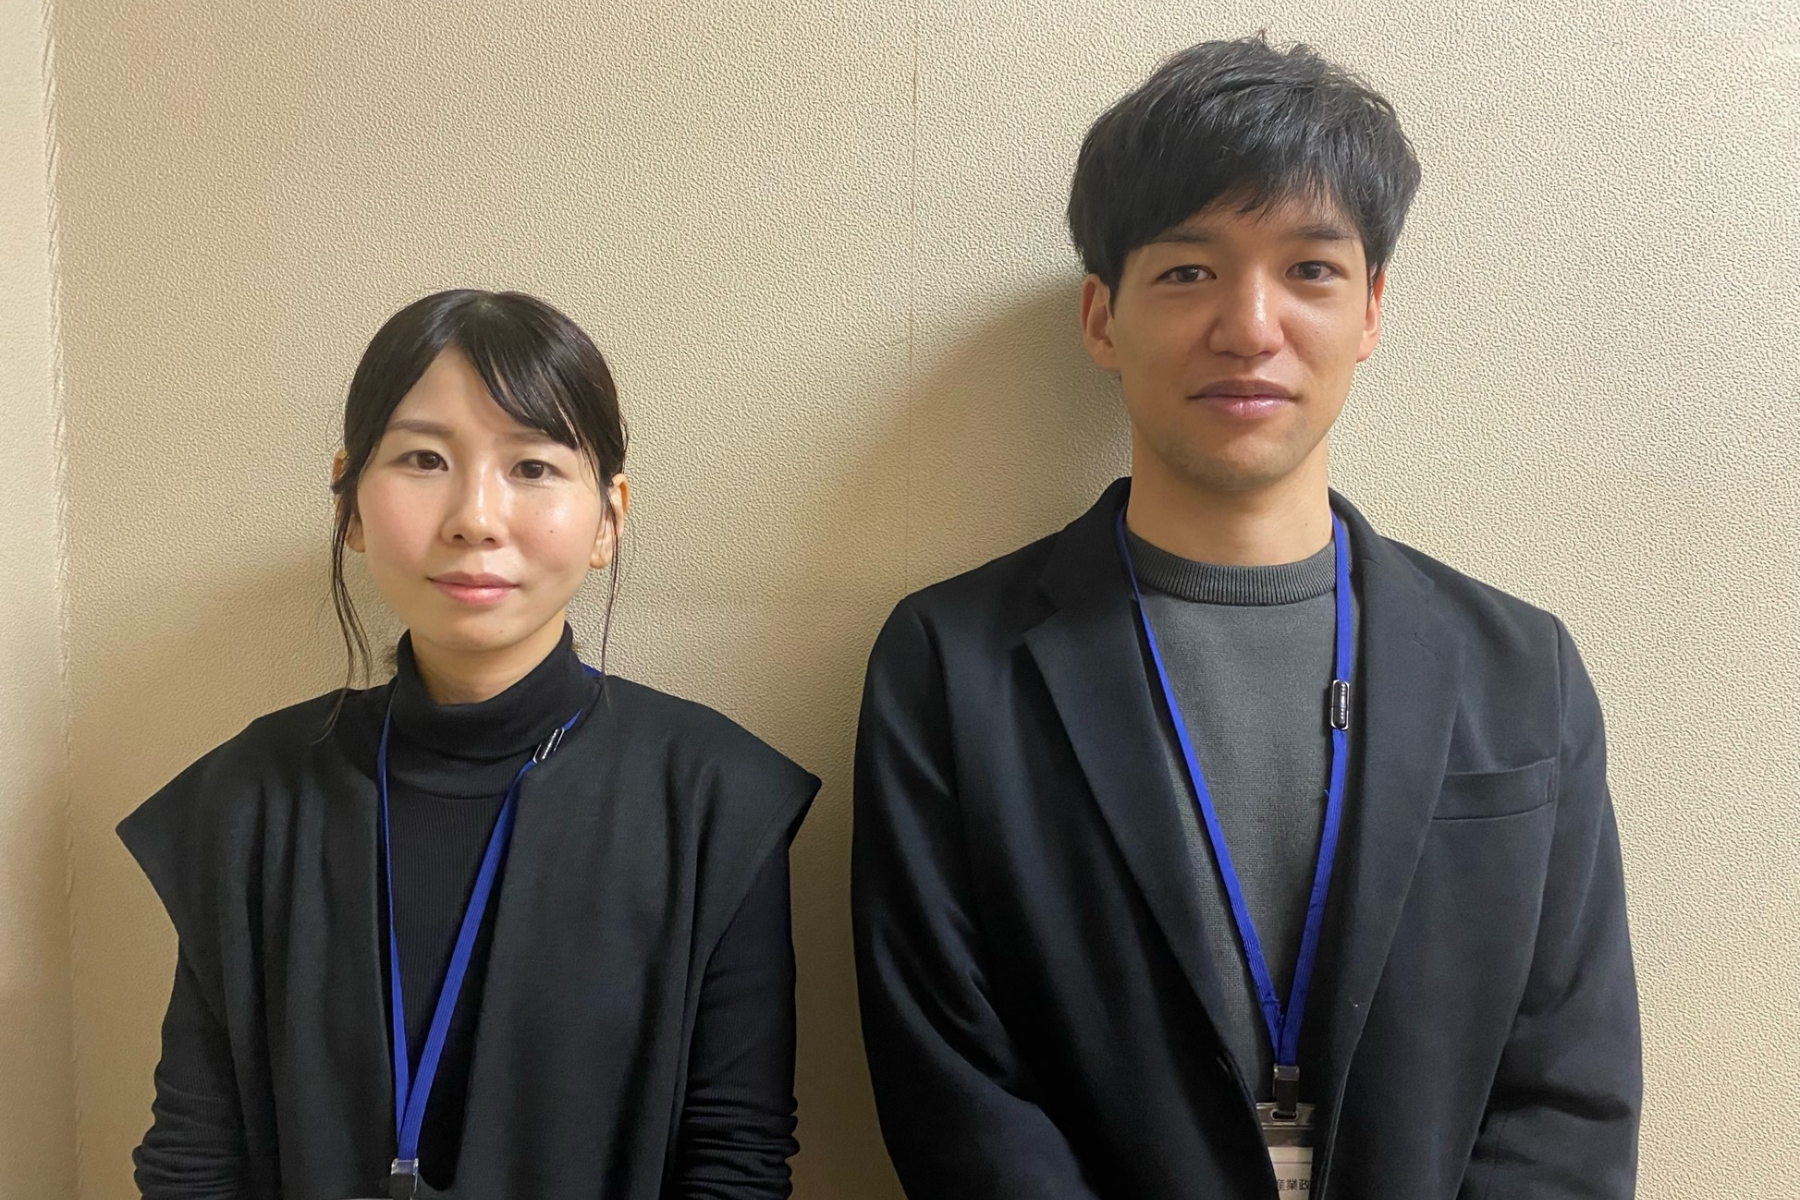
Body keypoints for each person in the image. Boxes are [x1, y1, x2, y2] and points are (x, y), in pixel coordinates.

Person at [853, 35, 1640, 1199]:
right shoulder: (950, 664)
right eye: (1188, 272)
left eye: (1310, 269)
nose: (1250, 325)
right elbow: (956, 1093)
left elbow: (1568, 1092)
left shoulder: (1522, 670)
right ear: (1101, 317)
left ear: (1371, 310)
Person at [121, 289, 817, 1199]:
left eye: (532, 466)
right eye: (423, 459)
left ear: (608, 518)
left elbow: (735, 1161)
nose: (475, 518)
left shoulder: (717, 798)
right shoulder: (254, 793)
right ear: (350, 505)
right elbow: (192, 1159)